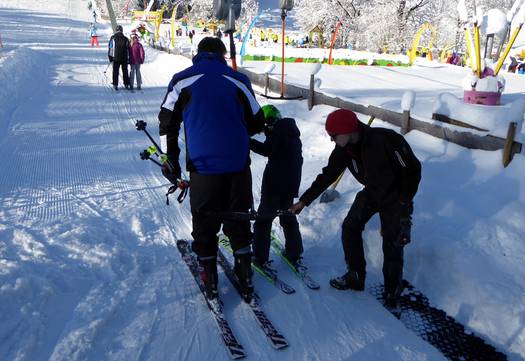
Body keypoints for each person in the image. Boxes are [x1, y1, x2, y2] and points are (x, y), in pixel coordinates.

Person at [158, 37, 264, 302]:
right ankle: (245, 274)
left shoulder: (181, 79)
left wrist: (169, 158)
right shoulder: (238, 79)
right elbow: (257, 121)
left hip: (203, 166)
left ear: (198, 54)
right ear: (222, 55)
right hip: (238, 164)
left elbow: (166, 121)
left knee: (205, 221)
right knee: (238, 216)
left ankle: (210, 278)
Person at [290, 109, 421, 308]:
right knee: (350, 227)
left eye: (333, 136)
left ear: (347, 131)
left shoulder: (385, 140)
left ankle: (392, 294)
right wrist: (304, 201)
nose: (332, 140)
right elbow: (328, 175)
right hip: (372, 192)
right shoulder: (345, 149)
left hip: (396, 197)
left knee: (392, 243)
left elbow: (413, 170)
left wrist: (404, 202)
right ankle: (355, 276)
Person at [250, 105, 304, 269]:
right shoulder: (291, 132)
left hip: (274, 186)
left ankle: (260, 258)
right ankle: (294, 252)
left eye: (263, 127)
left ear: (269, 122)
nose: (263, 132)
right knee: (288, 218)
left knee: (263, 222)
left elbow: (267, 150)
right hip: (289, 185)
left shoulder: (278, 132)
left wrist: (246, 141)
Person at [108, 25, 130, 91]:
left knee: (115, 71)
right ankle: (126, 84)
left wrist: (110, 58)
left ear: (116, 30)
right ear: (122, 30)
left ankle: (115, 84)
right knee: (125, 71)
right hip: (124, 57)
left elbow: (110, 48)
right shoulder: (126, 38)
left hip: (116, 58)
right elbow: (128, 48)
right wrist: (128, 58)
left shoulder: (113, 38)